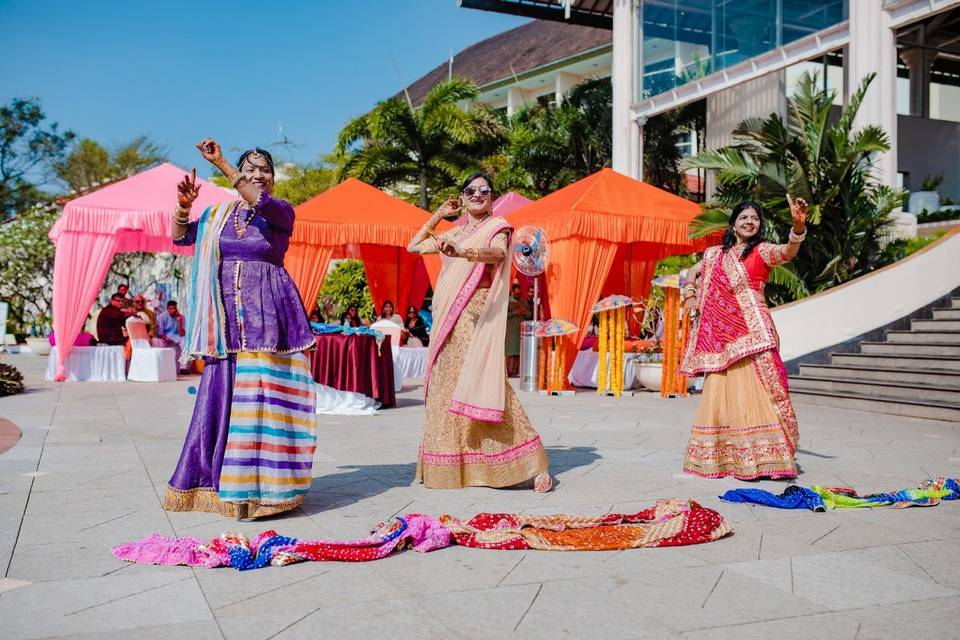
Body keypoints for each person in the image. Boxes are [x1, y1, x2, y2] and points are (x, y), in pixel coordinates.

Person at [164, 140, 317, 519]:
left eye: (263, 169)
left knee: (262, 400)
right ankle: (213, 481)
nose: (255, 174)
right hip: (223, 321)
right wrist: (184, 207)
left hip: (266, 317)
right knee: (220, 396)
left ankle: (266, 487)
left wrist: (224, 164)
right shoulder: (220, 215)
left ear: (273, 179)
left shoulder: (279, 212)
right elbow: (182, 237)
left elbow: (255, 197)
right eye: (249, 168)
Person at [407, 173, 551, 492]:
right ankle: (458, 465)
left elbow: (499, 253)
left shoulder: (496, 226)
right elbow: (413, 245)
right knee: (447, 387)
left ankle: (533, 463)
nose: (477, 195)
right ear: (462, 196)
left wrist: (464, 252)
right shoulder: (455, 231)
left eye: (483, 191)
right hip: (448, 317)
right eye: (470, 191)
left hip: (476, 313)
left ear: (491, 197)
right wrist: (439, 216)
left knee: (486, 384)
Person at [679, 196, 808, 480]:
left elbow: (787, 252)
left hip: (753, 331)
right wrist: (689, 293)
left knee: (760, 393)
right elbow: (693, 271)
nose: (750, 222)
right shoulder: (714, 255)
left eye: (755, 219)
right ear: (733, 224)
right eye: (744, 218)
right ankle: (725, 459)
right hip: (721, 340)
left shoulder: (761, 251)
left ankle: (765, 459)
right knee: (722, 394)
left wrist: (798, 228)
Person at [505, 282, 528, 377]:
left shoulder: (524, 301)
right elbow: (504, 316)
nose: (518, 295)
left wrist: (524, 312)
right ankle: (506, 372)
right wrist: (515, 312)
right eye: (516, 294)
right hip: (510, 332)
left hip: (520, 331)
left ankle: (516, 371)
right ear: (512, 292)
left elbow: (530, 315)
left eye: (520, 293)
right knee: (509, 352)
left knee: (519, 352)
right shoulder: (507, 301)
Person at [157, 300, 186, 367]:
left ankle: (183, 368)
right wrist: (167, 339)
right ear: (167, 309)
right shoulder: (161, 317)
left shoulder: (181, 317)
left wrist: (179, 321)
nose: (173, 310)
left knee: (184, 343)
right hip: (165, 337)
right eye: (171, 308)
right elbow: (160, 333)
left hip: (177, 338)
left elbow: (182, 334)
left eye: (175, 308)